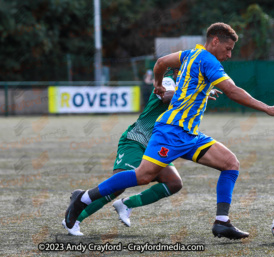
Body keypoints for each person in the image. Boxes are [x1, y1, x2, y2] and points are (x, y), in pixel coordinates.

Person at [65, 22, 274, 240]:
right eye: (228, 49)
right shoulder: (208, 60)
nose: (229, 55)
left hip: (189, 134)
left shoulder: (190, 54)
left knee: (230, 164)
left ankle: (221, 222)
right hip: (171, 131)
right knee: (143, 176)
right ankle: (83, 198)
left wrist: (158, 83)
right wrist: (266, 108)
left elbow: (161, 61)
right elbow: (232, 90)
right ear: (215, 41)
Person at [62, 69, 222, 236]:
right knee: (117, 186)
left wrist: (201, 92)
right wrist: (198, 92)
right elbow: (167, 97)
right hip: (136, 139)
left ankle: (127, 204)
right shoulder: (167, 81)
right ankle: (75, 216)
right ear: (177, 70)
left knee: (174, 183)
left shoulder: (188, 88)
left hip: (156, 145)